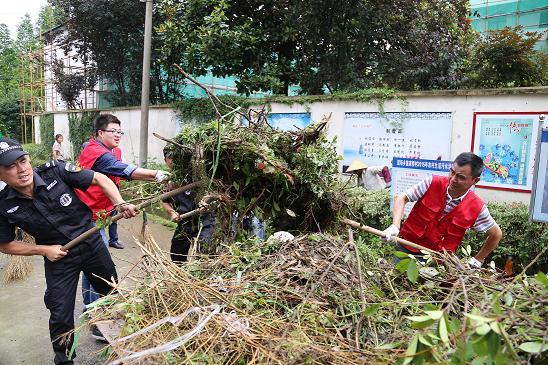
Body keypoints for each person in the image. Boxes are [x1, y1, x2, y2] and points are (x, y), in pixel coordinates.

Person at [0, 138, 138, 364]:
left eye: (23, 161)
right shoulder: (3, 204)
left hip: (91, 243)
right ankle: (64, 359)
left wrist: (120, 203)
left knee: (112, 294)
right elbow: (4, 243)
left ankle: (127, 342)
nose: (21, 169)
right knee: (60, 312)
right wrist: (42, 250)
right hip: (59, 257)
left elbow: (100, 178)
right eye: (10, 166)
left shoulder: (55, 171)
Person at [76, 113, 170, 307]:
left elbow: (124, 173)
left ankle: (90, 306)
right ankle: (95, 311)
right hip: (87, 215)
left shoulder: (114, 151)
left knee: (92, 264)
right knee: (99, 266)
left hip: (103, 212)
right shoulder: (94, 152)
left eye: (120, 132)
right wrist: (156, 174)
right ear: (100, 133)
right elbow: (122, 169)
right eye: (113, 131)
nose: (118, 135)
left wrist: (120, 202)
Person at [383, 152, 502, 268]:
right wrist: (395, 225)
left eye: (460, 177)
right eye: (452, 172)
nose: (453, 179)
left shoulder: (477, 208)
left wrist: (478, 259)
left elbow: (496, 234)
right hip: (406, 249)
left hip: (438, 263)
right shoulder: (431, 183)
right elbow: (402, 198)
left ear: (475, 181)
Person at [161, 147, 215, 262]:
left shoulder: (198, 174)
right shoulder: (168, 181)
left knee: (204, 254)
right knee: (176, 255)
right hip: (184, 221)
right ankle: (182, 275)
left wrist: (206, 201)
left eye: (175, 157)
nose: (173, 160)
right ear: (165, 160)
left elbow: (214, 192)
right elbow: (165, 202)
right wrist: (172, 212)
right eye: (170, 158)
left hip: (204, 220)